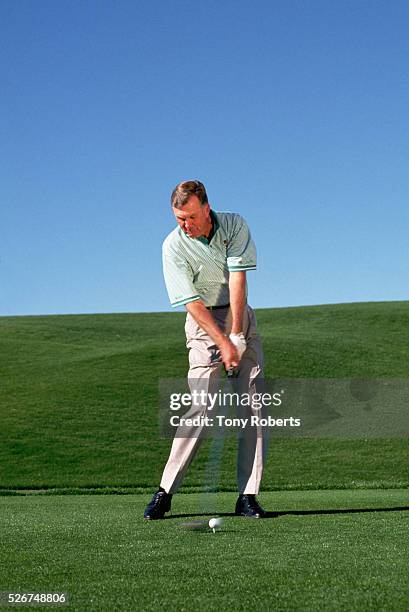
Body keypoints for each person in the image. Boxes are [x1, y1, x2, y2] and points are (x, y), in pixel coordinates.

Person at [144, 180, 268, 519]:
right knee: (201, 407)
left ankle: (247, 496)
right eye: (179, 218)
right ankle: (165, 491)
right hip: (202, 327)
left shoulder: (234, 225)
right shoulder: (172, 246)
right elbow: (193, 304)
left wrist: (238, 335)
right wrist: (223, 342)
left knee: (254, 408)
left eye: (191, 217)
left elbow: (239, 278)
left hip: (238, 313)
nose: (185, 225)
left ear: (207, 208)